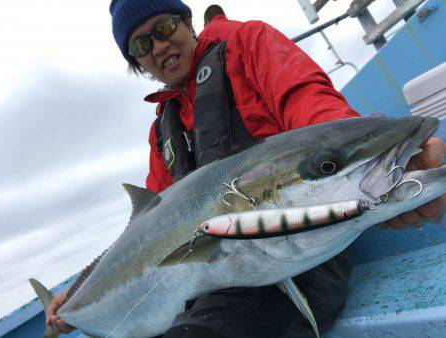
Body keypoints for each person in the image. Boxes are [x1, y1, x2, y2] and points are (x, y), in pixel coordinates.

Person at [47, 0, 446, 336]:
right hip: (209, 286)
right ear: (137, 62)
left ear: (187, 21)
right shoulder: (161, 131)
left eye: (165, 27)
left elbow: (315, 114)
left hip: (294, 266)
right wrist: (73, 297)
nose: (158, 46)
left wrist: (395, 159)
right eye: (141, 45)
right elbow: (146, 223)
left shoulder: (246, 43)